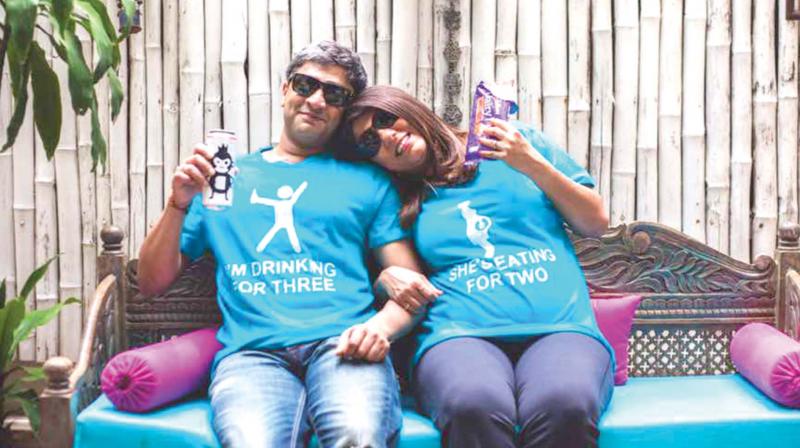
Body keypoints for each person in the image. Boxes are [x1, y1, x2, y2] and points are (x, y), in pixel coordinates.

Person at [137, 42, 440, 448]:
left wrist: (376, 330)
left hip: (342, 344)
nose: (315, 100)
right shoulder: (223, 181)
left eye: (333, 94)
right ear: (285, 90)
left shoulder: (368, 182)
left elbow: (413, 290)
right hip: (252, 355)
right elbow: (151, 282)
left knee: (357, 437)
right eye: (305, 85)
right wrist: (178, 203)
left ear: (343, 111)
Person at [334, 85, 614, 448]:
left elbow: (594, 222)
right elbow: (405, 280)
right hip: (457, 335)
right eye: (370, 142)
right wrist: (385, 277)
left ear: (408, 107)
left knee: (563, 404)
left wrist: (529, 162)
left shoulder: (514, 143)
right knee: (473, 404)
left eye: (386, 119)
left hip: (560, 328)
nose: (387, 137)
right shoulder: (395, 198)